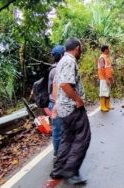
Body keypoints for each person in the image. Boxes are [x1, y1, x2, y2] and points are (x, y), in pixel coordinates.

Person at [50, 38, 91, 185]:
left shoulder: (61, 61)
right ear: (77, 48)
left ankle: (59, 169)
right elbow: (65, 85)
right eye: (81, 48)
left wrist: (56, 104)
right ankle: (71, 171)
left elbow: (57, 84)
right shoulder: (69, 61)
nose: (81, 51)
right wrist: (78, 100)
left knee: (67, 138)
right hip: (72, 108)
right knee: (83, 138)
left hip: (63, 108)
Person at [48, 45, 65, 157]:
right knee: (58, 130)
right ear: (61, 55)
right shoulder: (58, 70)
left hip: (54, 102)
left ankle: (59, 153)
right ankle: (58, 154)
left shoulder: (52, 68)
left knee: (59, 130)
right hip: (57, 103)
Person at [98, 45, 114, 112]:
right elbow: (102, 69)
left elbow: (109, 68)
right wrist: (106, 78)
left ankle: (107, 104)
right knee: (103, 91)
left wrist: (111, 77)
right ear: (105, 50)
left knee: (108, 91)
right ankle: (102, 106)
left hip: (108, 77)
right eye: (108, 49)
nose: (109, 50)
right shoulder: (102, 58)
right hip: (103, 78)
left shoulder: (107, 57)